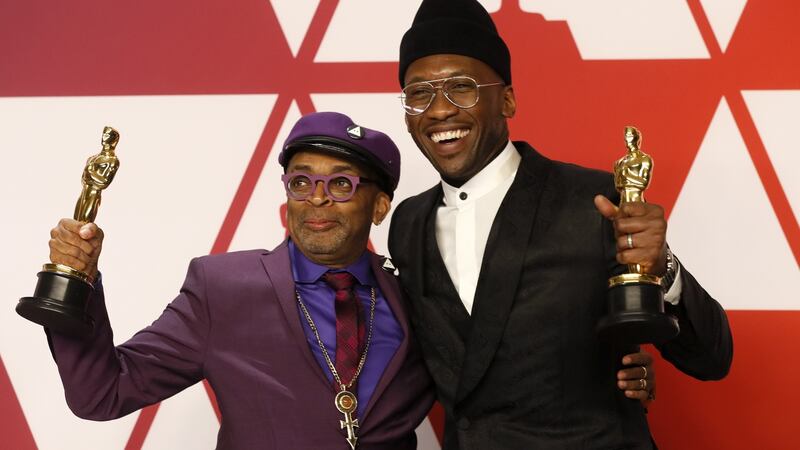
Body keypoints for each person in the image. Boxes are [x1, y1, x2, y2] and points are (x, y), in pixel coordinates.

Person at [387, 0, 733, 449]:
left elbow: (711, 357)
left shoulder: (594, 201)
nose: (438, 111)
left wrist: (662, 267)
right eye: (419, 94)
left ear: (507, 100)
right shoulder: (407, 222)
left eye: (461, 88)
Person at [44, 111, 434, 449]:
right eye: (301, 182)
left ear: (379, 206)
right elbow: (103, 392)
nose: (317, 198)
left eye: (341, 184)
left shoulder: (418, 296)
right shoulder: (223, 288)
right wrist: (76, 281)